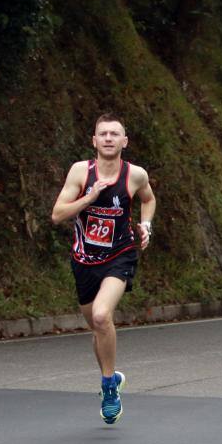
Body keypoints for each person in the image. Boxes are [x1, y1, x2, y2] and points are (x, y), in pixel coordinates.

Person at [51, 113, 156, 424]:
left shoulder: (135, 175)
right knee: (96, 328)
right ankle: (111, 375)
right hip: (84, 260)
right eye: (103, 134)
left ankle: (109, 387)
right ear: (93, 141)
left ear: (125, 141)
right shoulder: (80, 172)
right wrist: (91, 196)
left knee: (101, 315)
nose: (109, 138)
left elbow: (148, 200)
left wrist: (146, 225)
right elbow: (58, 214)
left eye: (115, 134)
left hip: (119, 255)